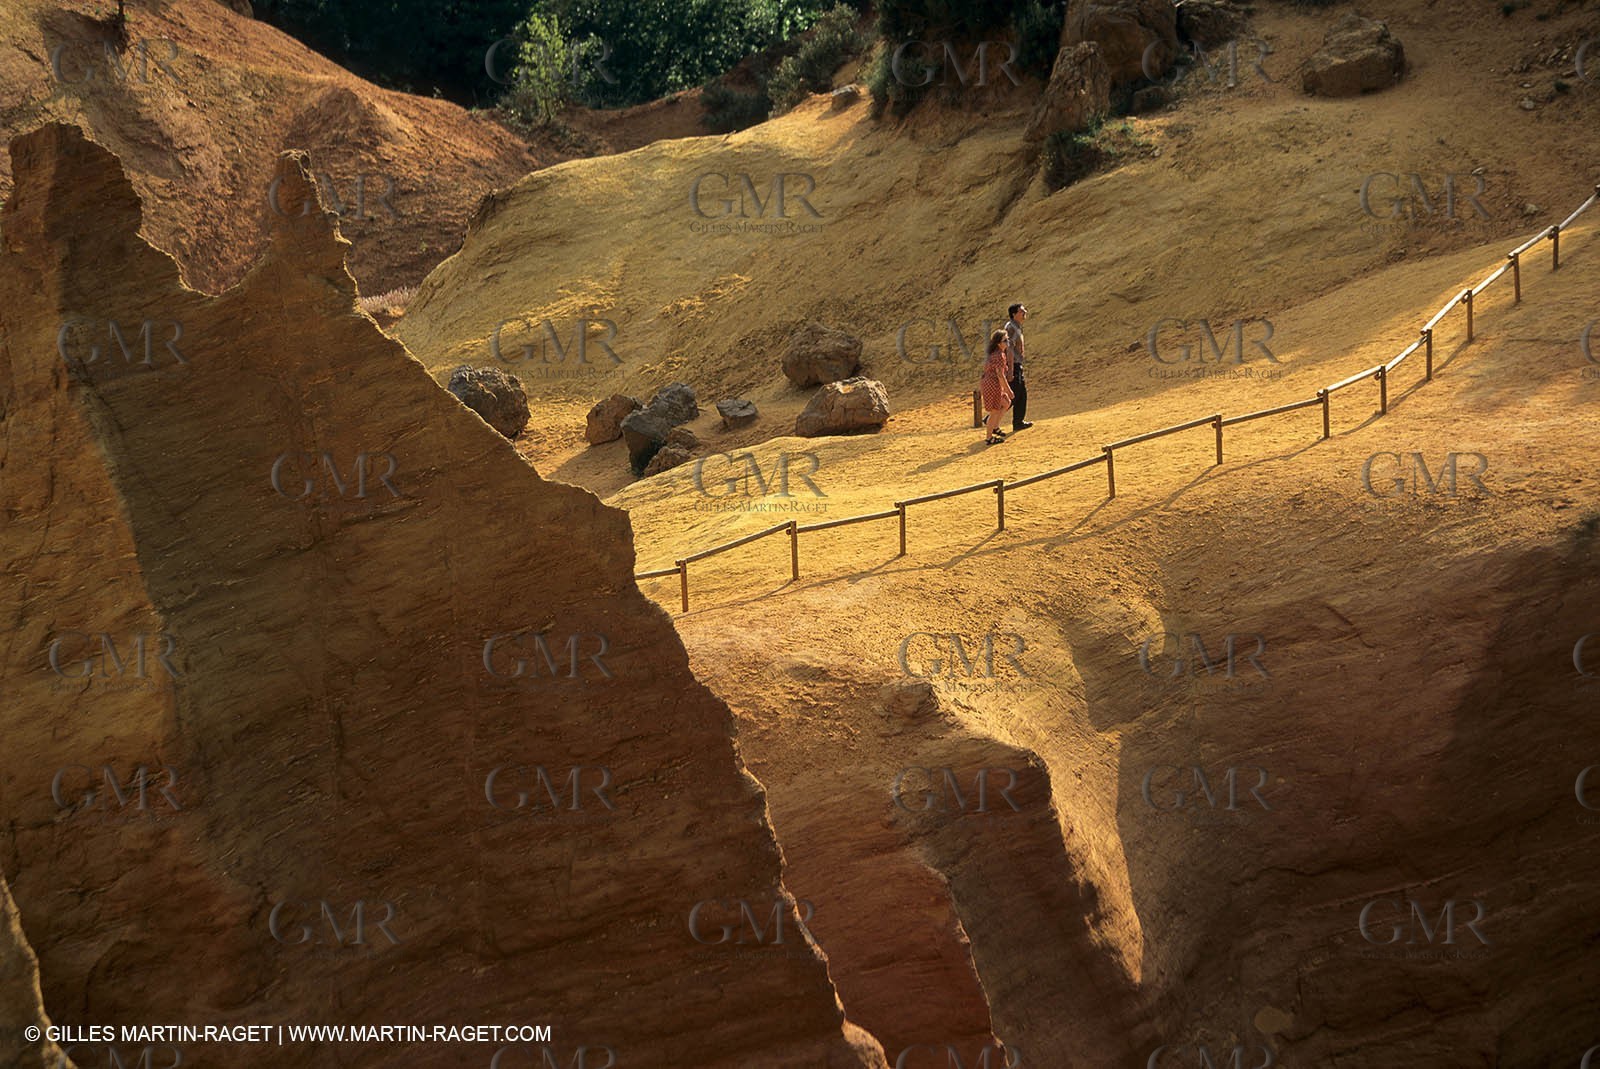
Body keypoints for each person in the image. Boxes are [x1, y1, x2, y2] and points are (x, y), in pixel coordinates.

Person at [979, 329, 1014, 445]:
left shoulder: (997, 354)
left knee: (1006, 403)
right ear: (999, 343)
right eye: (1005, 340)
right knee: (994, 411)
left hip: (992, 383)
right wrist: (1009, 390)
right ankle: (989, 438)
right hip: (993, 384)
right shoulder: (999, 355)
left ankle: (995, 427)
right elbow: (1000, 375)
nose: (1007, 342)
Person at [1004, 303, 1032, 431]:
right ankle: (992, 418)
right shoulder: (1012, 328)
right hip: (1013, 364)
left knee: (1021, 394)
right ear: (1014, 314)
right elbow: (1009, 349)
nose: (1024, 312)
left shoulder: (1016, 326)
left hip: (1016, 364)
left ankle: (1018, 422)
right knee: (1014, 394)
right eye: (1021, 311)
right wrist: (1010, 369)